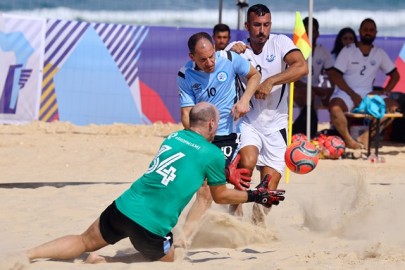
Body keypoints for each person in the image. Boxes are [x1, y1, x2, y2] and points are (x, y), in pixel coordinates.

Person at [24, 102, 285, 264]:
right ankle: (107, 261)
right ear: (212, 124)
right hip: (152, 225)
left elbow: (185, 165)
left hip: (123, 206)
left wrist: (222, 173)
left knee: (83, 240)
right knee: (171, 257)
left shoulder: (173, 137)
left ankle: (29, 255)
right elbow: (219, 197)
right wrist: (256, 196)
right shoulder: (213, 154)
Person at [177, 32, 261, 244]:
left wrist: (244, 99)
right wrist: (197, 139)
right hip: (203, 138)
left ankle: (187, 239)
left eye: (211, 56)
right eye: (203, 59)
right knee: (205, 190)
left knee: (211, 189)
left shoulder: (230, 59)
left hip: (228, 133)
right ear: (191, 56)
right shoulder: (185, 74)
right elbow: (186, 114)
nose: (209, 62)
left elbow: (254, 75)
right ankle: (189, 237)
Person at [225, 4, 308, 218]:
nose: (262, 30)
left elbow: (301, 67)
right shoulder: (238, 49)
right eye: (257, 25)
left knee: (268, 192)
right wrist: (229, 56)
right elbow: (217, 71)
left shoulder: (281, 43)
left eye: (266, 25)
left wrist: (271, 81)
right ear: (247, 26)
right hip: (248, 122)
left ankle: (257, 225)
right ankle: (232, 217)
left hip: (276, 126)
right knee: (247, 163)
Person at [328, 18, 400, 149]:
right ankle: (349, 141)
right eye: (365, 30)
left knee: (394, 108)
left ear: (376, 33)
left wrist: (384, 92)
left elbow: (395, 76)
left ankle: (366, 136)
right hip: (346, 92)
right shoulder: (348, 50)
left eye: (371, 30)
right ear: (360, 32)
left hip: (368, 94)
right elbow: (334, 75)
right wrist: (352, 94)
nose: (368, 33)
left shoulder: (379, 53)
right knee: (335, 108)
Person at [292, 17, 335, 138]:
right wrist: (312, 89)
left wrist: (330, 92)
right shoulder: (294, 50)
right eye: (306, 31)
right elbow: (292, 78)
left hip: (314, 91)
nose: (309, 34)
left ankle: (301, 130)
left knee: (318, 96)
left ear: (318, 33)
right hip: (295, 89)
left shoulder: (323, 51)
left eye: (313, 31)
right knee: (308, 95)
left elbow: (332, 75)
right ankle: (307, 131)